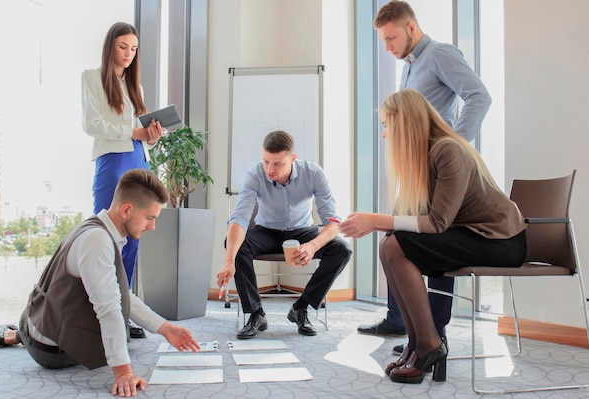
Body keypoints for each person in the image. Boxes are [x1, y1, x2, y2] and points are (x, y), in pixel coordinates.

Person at [338, 89, 526, 383]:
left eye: (387, 125)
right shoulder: (423, 158)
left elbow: (437, 223)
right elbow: (412, 220)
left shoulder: (448, 150)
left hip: (500, 242)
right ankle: (418, 343)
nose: (384, 135)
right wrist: (374, 225)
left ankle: (429, 344)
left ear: (406, 124)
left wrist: (375, 220)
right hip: (469, 236)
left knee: (395, 245)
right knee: (390, 244)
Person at [0, 169, 201, 397]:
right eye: (150, 218)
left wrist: (165, 328)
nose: (152, 227)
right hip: (50, 349)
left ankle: (20, 333)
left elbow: (121, 295)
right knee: (117, 335)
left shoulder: (99, 228)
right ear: (127, 210)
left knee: (122, 335)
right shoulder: (97, 241)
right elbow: (109, 308)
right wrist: (123, 374)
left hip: (43, 319)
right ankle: (17, 335)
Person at [357, 0, 493, 352]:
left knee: (433, 241)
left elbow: (479, 96)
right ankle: (400, 320)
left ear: (411, 28)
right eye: (383, 42)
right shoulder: (409, 67)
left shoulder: (439, 55)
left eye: (391, 38)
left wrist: (457, 146)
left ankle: (436, 331)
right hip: (418, 169)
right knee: (395, 233)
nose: (387, 48)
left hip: (440, 168)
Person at [216, 130, 352, 339]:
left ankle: (301, 308)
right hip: (266, 232)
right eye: (266, 161)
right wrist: (228, 260)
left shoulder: (314, 173)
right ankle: (255, 313)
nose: (270, 169)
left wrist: (313, 246)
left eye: (277, 163)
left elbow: (333, 222)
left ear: (293, 159)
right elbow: (239, 219)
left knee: (342, 249)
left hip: (302, 232)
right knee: (235, 244)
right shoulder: (254, 175)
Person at [82, 22, 165, 339]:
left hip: (139, 159)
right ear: (110, 47)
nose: (129, 54)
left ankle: (124, 311)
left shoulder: (136, 87)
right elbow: (91, 123)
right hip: (113, 160)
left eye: (134, 48)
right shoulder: (92, 78)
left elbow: (142, 136)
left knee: (133, 238)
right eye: (123, 47)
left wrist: (152, 137)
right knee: (107, 233)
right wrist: (135, 132)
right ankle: (100, 311)